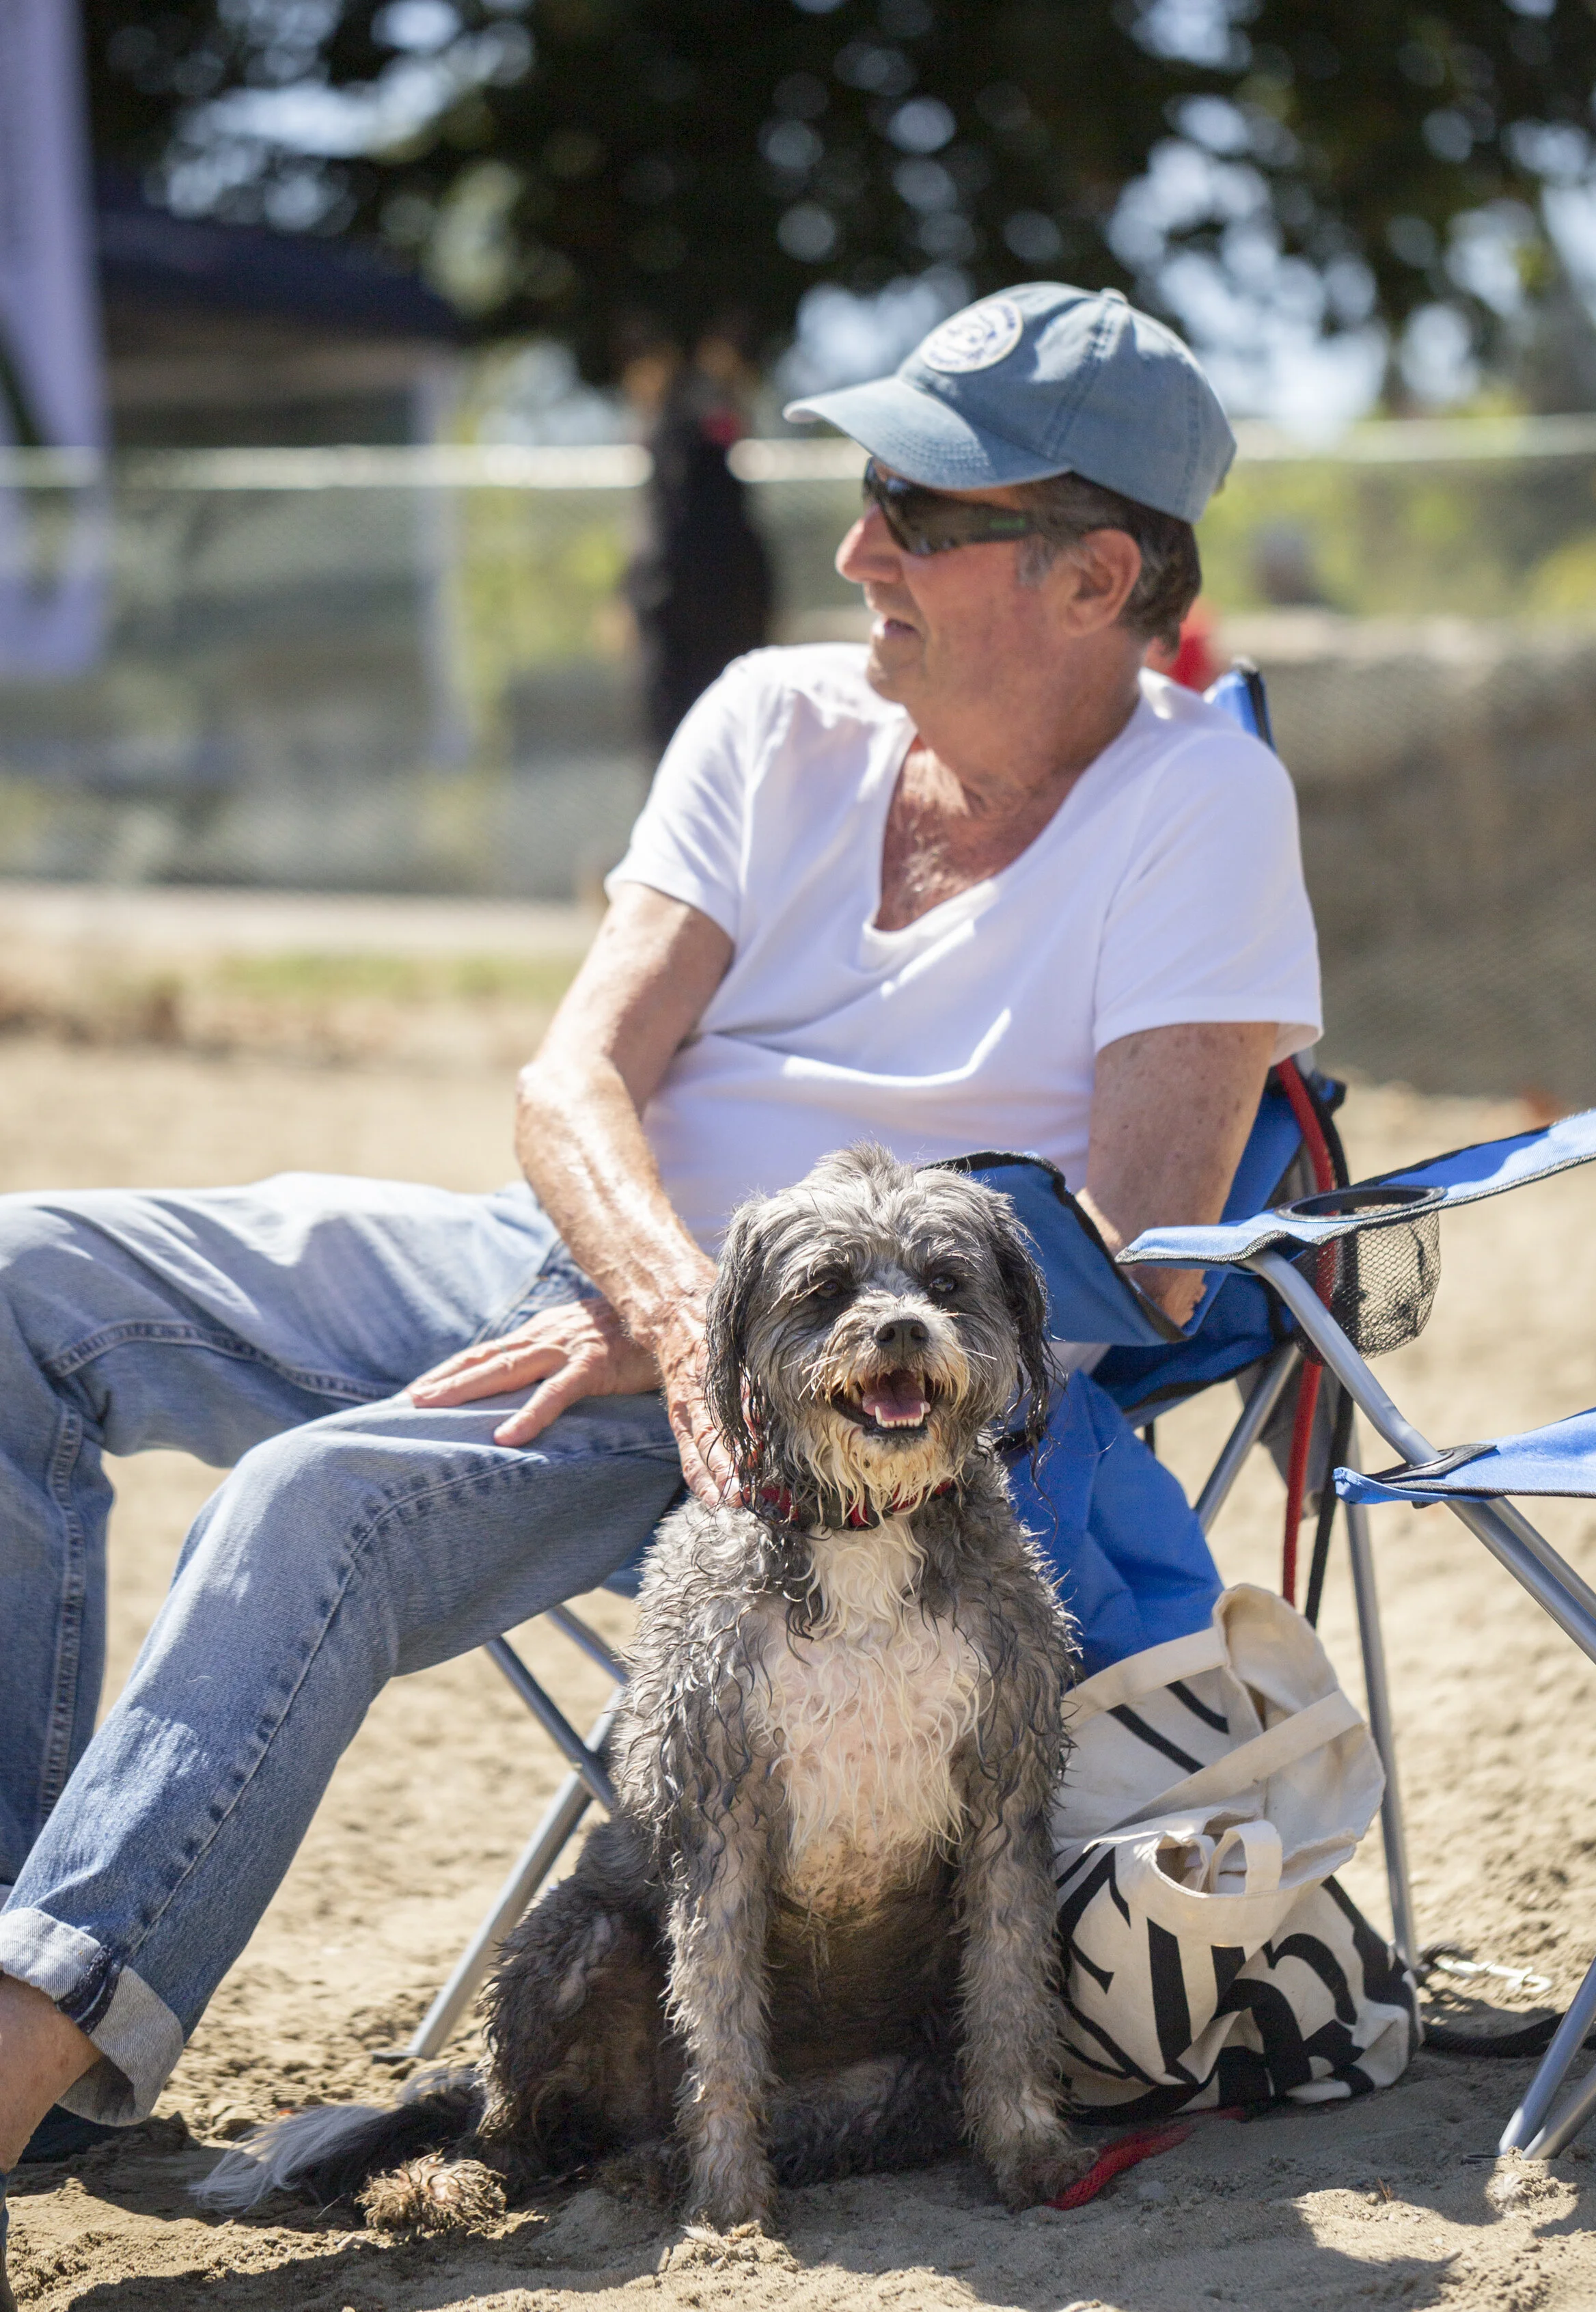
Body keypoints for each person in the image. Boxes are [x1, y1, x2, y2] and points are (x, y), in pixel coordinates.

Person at [0, 280, 1319, 2285]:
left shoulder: (1197, 804)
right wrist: (667, 1275)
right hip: (596, 1268)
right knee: (23, 1277)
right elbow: (572, 1074)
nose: (854, 541)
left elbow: (1116, 1252)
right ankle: (54, 1977)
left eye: (913, 505)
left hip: (790, 1429)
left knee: (307, 1503)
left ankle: (17, 2048)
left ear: (1091, 572)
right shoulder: (771, 719)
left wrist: (718, 1338)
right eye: (861, 493)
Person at [621, 321, 775, 753]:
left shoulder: (716, 421)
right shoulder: (668, 434)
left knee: (738, 731)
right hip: (673, 597)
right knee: (674, 736)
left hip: (723, 591)